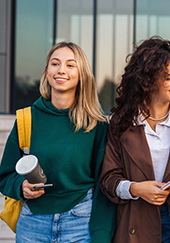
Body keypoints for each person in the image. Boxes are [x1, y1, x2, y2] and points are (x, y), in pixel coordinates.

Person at [99, 37, 170, 243]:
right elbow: (108, 180)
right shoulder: (122, 122)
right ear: (147, 80)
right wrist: (135, 188)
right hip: (136, 222)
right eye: (169, 76)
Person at [0, 42, 116, 242]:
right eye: (55, 64)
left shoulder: (95, 124)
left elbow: (103, 186)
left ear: (82, 75)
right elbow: (5, 176)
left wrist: (101, 234)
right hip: (32, 225)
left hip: (81, 223)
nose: (61, 70)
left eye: (70, 65)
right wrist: (21, 187)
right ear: (46, 72)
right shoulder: (27, 119)